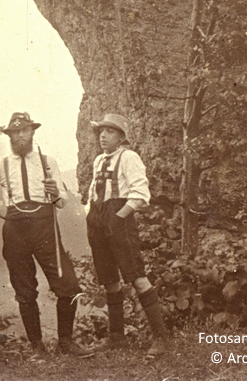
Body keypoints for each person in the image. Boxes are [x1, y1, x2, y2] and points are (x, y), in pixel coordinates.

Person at [0, 113, 94, 360]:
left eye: (24, 131)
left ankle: (65, 342)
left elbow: (62, 202)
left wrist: (56, 192)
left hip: (45, 228)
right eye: (14, 133)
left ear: (32, 132)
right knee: (25, 291)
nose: (20, 136)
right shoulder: (1, 165)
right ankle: (37, 347)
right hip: (15, 230)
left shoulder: (48, 162)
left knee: (68, 285)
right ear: (9, 136)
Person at [84, 113, 169, 357]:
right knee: (109, 280)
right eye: (101, 131)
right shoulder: (99, 160)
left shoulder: (129, 157)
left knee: (136, 276)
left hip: (119, 220)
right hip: (98, 221)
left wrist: (119, 216)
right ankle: (116, 337)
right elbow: (93, 192)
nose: (103, 135)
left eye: (110, 131)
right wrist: (90, 214)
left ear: (121, 137)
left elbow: (141, 194)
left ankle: (161, 338)